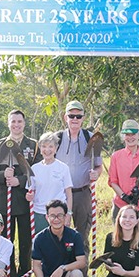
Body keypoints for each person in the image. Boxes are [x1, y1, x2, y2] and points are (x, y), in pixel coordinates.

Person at [0, 109, 39, 277]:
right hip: (3, 202)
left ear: (24, 124)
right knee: (6, 242)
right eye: (13, 121)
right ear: (8, 123)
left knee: (26, 243)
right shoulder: (0, 144)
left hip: (25, 202)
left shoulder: (33, 145)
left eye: (19, 121)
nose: (16, 125)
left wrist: (20, 180)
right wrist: (3, 175)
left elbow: (38, 172)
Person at [108, 119, 139, 277]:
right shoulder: (116, 156)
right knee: (119, 240)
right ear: (123, 137)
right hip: (121, 205)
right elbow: (112, 180)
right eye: (127, 135)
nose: (130, 138)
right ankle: (119, 276)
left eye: (133, 134)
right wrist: (123, 195)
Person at [54, 101, 102, 246]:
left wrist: (97, 174)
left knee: (82, 236)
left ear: (83, 118)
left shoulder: (92, 138)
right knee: (59, 233)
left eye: (78, 116)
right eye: (71, 116)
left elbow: (98, 166)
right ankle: (62, 267)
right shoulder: (57, 139)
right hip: (60, 194)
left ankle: (81, 268)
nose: (75, 119)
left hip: (82, 194)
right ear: (65, 117)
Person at [31, 200, 87, 277]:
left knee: (77, 274)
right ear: (47, 217)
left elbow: (82, 262)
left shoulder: (74, 236)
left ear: (66, 217)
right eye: (52, 216)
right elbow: (36, 266)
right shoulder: (39, 238)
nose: (56, 219)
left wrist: (63, 268)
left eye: (60, 215)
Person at [26, 131, 73, 234]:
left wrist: (68, 214)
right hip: (39, 213)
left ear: (56, 149)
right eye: (44, 146)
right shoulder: (34, 168)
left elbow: (69, 194)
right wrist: (29, 196)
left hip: (59, 214)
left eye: (51, 146)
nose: (47, 150)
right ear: (40, 149)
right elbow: (31, 191)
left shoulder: (63, 168)